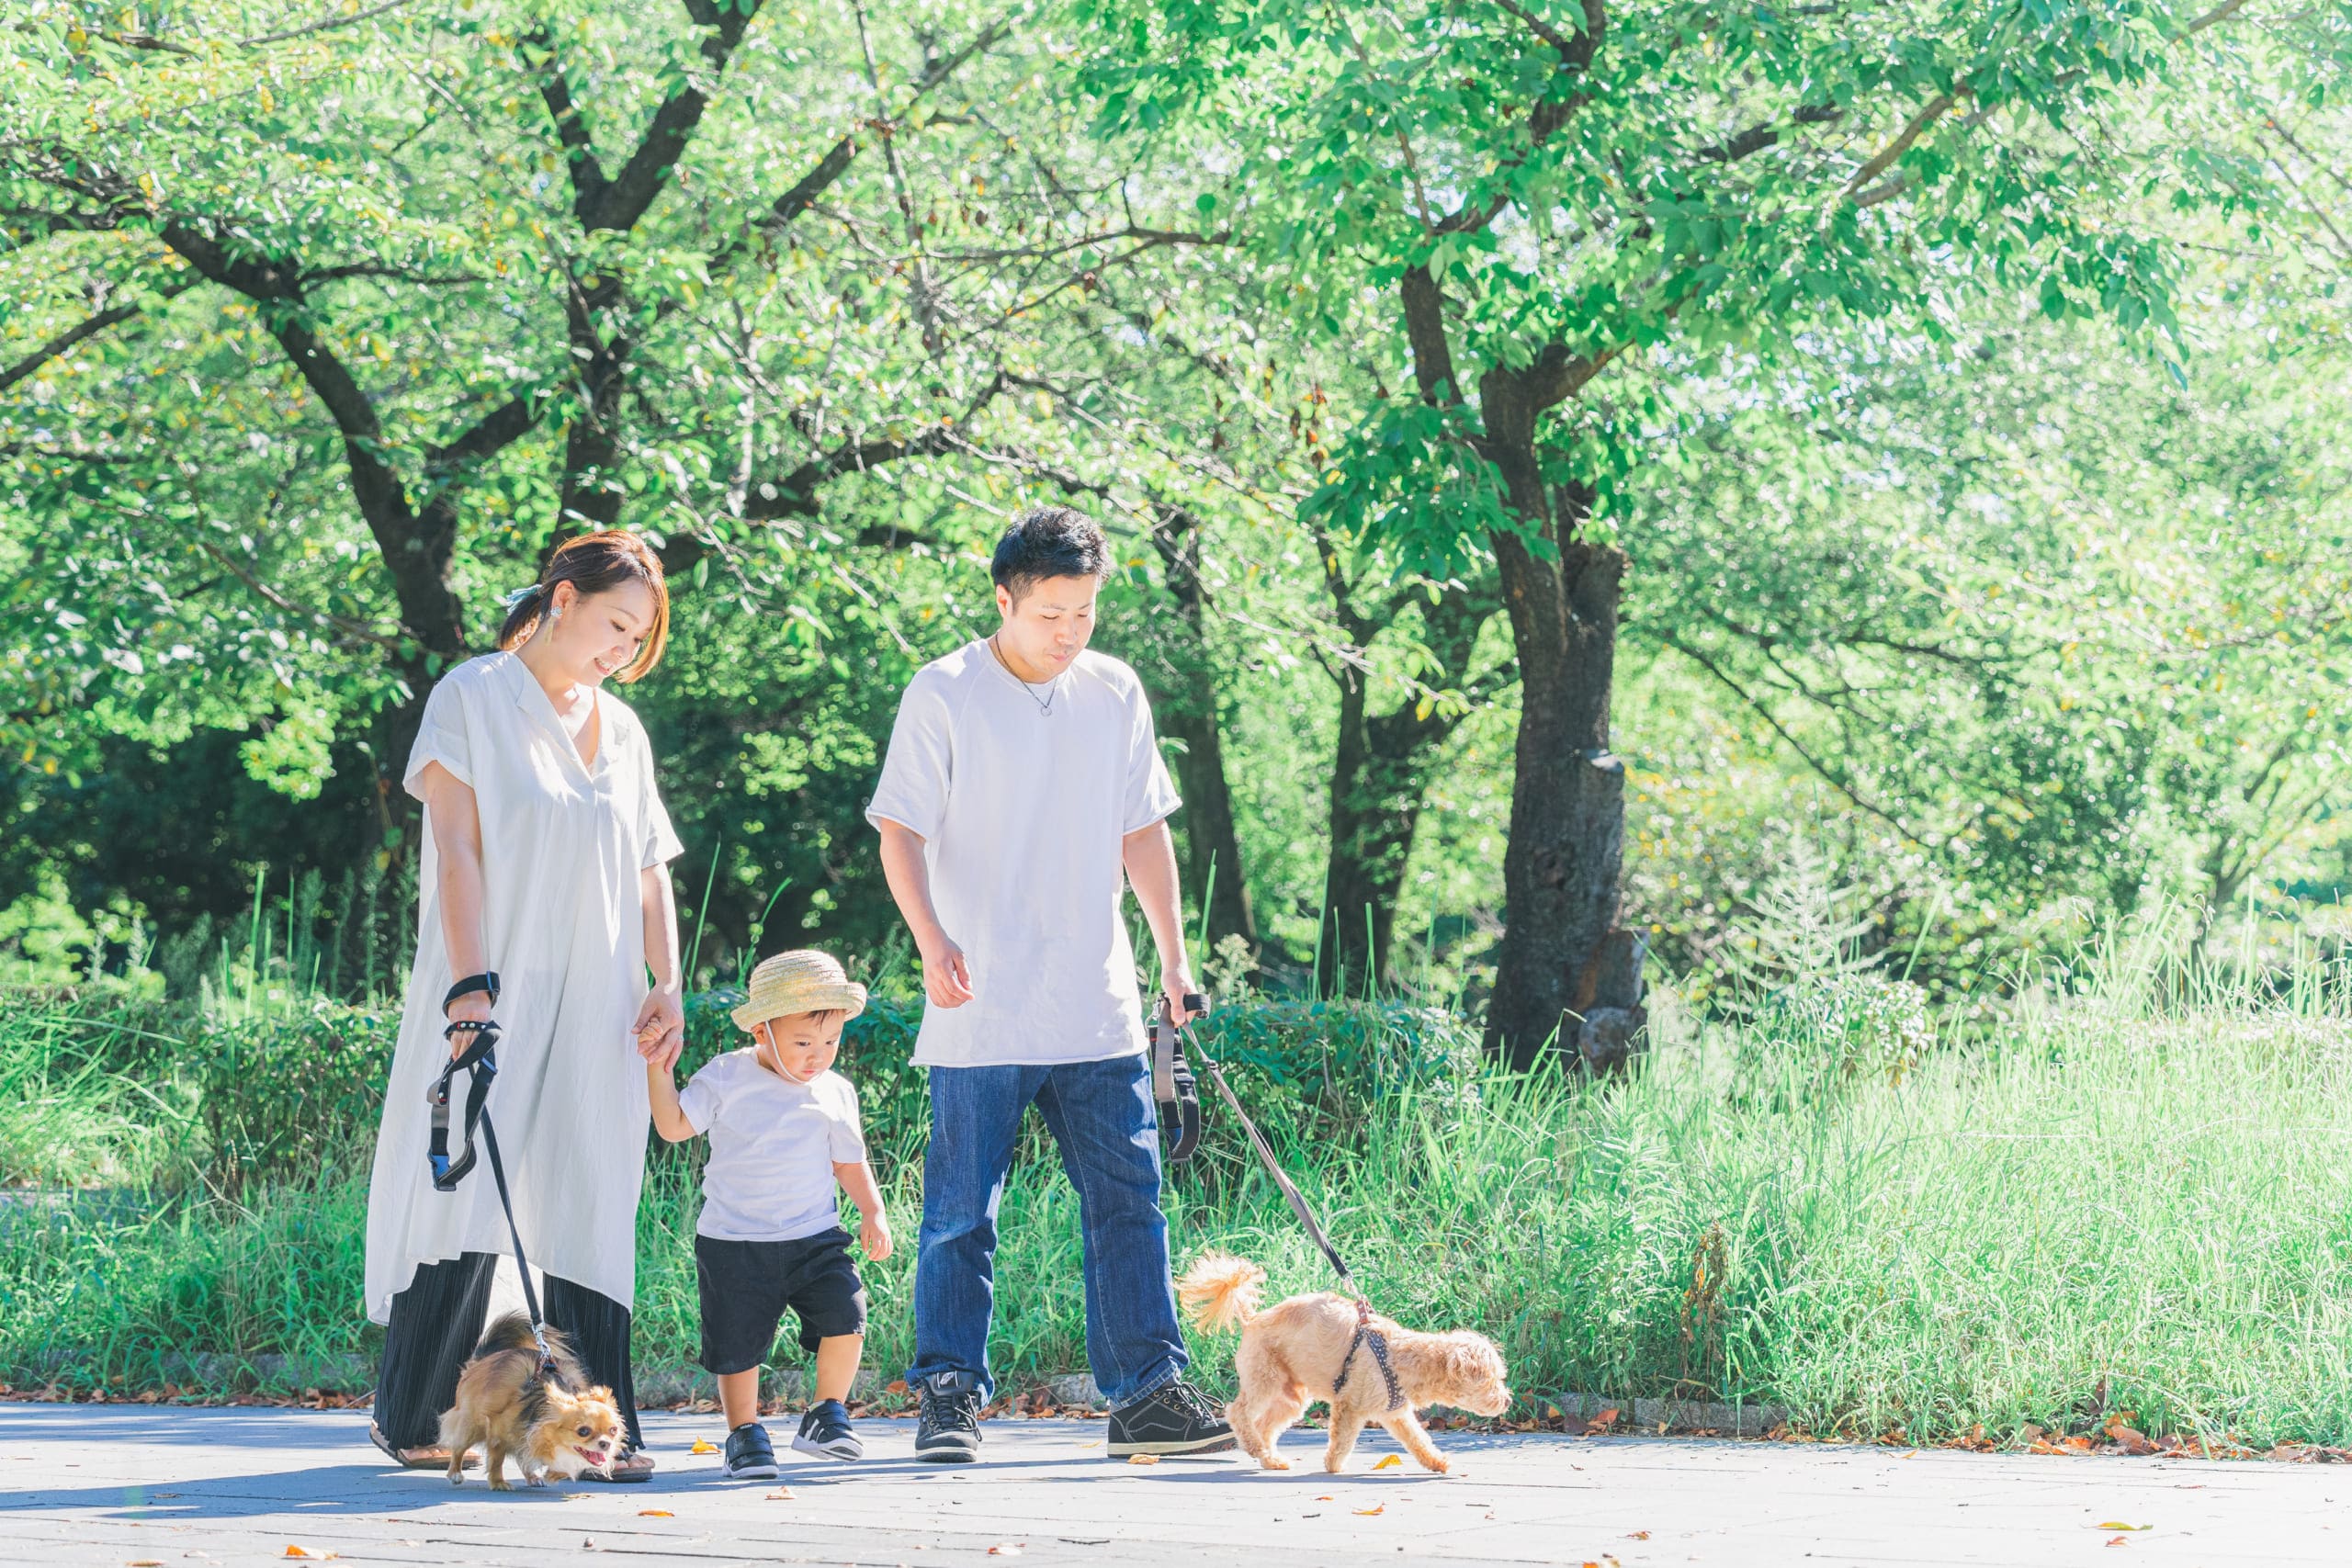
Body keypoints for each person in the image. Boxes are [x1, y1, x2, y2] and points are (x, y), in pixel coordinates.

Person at [865, 504, 1235, 1463]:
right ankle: (948, 1392)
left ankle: (1147, 1394)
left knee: (1129, 1201)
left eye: (1084, 614)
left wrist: (1174, 955)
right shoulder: (942, 692)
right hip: (978, 1004)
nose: (1069, 633)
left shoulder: (1113, 692)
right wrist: (931, 937)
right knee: (959, 1212)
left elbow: (1142, 830)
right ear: (1005, 600)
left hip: (1096, 1001)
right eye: (1050, 615)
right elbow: (897, 831)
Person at [363, 529, 687, 1482]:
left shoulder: (622, 729)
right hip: (492, 987)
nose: (622, 650)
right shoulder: (472, 696)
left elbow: (648, 867)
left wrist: (665, 984)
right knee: (461, 1193)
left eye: (639, 639)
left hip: (603, 1001)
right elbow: (456, 849)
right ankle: (416, 1410)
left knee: (592, 1193)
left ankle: (601, 1426)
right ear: (561, 598)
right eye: (615, 625)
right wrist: (471, 990)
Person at [644, 949, 893, 1480]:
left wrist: (872, 1211)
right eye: (803, 1043)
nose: (818, 1056)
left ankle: (827, 1414)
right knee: (737, 1344)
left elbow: (849, 1161)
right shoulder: (727, 1077)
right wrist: (658, 1072)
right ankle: (744, 1433)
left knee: (847, 1313)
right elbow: (674, 1127)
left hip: (814, 1236)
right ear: (761, 1030)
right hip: (734, 1243)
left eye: (830, 1042)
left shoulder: (834, 1091)